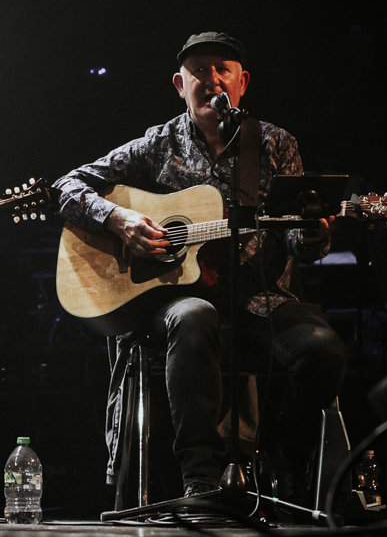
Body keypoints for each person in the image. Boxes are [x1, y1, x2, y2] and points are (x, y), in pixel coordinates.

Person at [54, 31, 347, 504]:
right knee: (194, 318)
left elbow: (296, 233)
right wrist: (121, 218)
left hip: (260, 297)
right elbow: (67, 185)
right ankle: (201, 479)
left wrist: (312, 236)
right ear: (179, 84)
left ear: (242, 82)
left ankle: (290, 467)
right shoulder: (157, 145)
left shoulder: (274, 144)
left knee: (323, 352)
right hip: (178, 296)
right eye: (199, 72)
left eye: (222, 71)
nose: (212, 81)